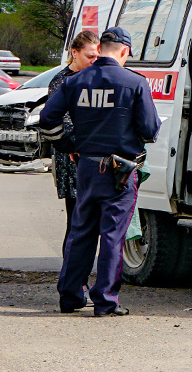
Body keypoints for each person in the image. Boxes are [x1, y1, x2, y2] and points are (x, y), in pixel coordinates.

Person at [40, 26, 160, 317]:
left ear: (102, 47)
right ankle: (105, 301)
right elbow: (150, 129)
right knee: (112, 235)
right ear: (124, 51)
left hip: (87, 166)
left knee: (80, 233)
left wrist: (70, 144)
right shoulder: (134, 82)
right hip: (120, 171)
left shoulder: (74, 81)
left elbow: (46, 122)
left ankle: (70, 296)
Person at [49, 29, 100, 211]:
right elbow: (59, 120)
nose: (94, 60)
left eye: (97, 56)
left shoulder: (97, 77)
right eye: (89, 56)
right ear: (75, 53)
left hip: (93, 154)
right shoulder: (62, 81)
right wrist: (75, 145)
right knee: (76, 220)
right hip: (72, 155)